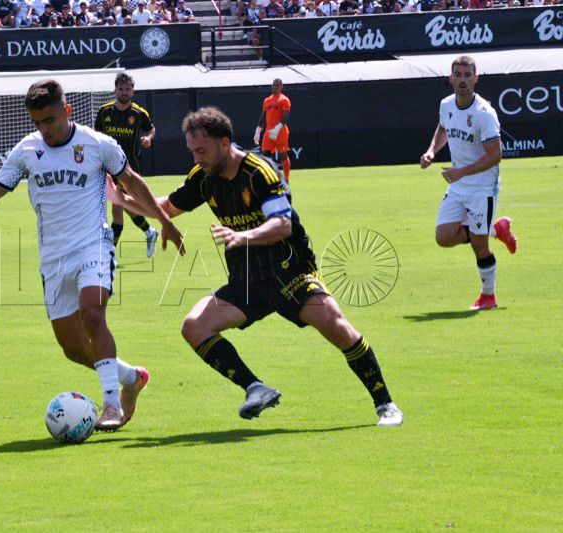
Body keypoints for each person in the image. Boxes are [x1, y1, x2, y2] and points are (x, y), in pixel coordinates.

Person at [0, 80, 184, 430]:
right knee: (72, 347)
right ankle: (131, 377)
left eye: (50, 120)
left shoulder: (97, 144)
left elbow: (131, 181)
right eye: (37, 122)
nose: (44, 129)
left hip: (94, 245)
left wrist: (164, 220)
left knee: (93, 315)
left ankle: (111, 406)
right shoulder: (27, 152)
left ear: (67, 111)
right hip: (54, 258)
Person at [153, 106, 402, 426]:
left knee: (337, 327)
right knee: (194, 326)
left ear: (224, 143)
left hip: (289, 272)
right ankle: (255, 388)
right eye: (191, 151)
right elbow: (167, 208)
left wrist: (243, 236)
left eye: (201, 150)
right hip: (246, 280)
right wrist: (120, 196)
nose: (196, 158)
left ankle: (386, 405)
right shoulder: (203, 178)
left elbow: (282, 226)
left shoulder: (260, 172)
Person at [420, 56, 517, 311]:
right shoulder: (446, 104)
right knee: (443, 236)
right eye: (458, 75)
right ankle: (495, 229)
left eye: (467, 75)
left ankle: (488, 296)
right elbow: (443, 128)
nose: (462, 80)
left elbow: (495, 156)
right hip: (459, 183)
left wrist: (461, 172)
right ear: (450, 78)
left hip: (483, 186)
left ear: (476, 79)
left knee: (479, 244)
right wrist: (432, 151)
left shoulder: (484, 114)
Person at [94, 73, 159, 257]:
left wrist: (148, 138)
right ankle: (149, 232)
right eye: (121, 89)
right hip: (107, 168)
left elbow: (151, 128)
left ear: (133, 91)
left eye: (127, 89)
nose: (124, 92)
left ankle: (109, 253)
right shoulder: (104, 111)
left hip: (129, 169)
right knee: (122, 205)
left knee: (117, 207)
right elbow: (96, 135)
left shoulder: (139, 113)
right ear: (115, 90)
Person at [254, 78, 291, 182]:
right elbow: (263, 117)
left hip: (280, 132)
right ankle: (267, 180)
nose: (275, 87)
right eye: (273, 85)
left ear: (281, 87)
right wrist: (257, 131)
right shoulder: (267, 100)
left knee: (283, 156)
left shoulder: (284, 100)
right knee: (264, 157)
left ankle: (286, 180)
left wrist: (277, 128)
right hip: (268, 132)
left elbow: (285, 117)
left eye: (277, 85)